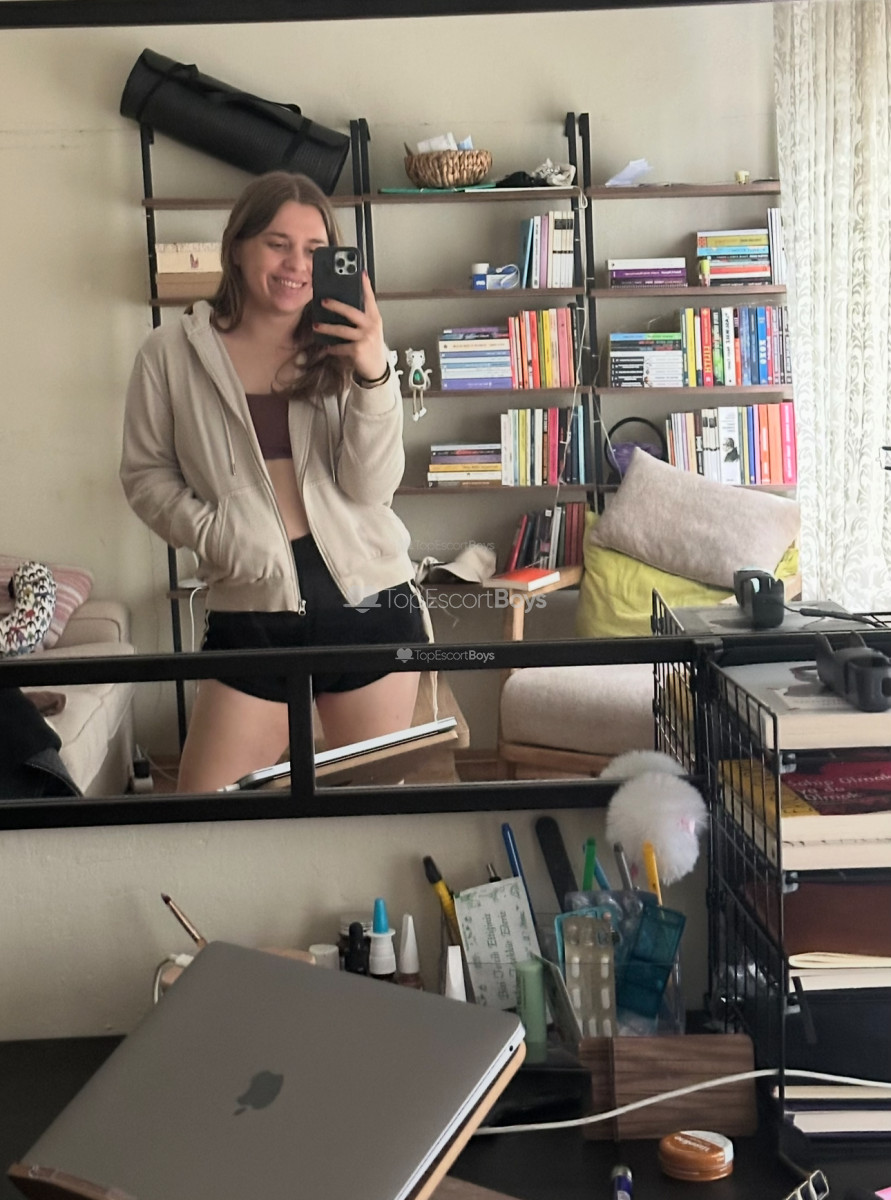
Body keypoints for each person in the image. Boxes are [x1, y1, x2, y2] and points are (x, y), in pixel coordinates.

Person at [120, 171, 426, 793]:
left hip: (371, 604)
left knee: (370, 817)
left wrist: (373, 371)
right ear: (238, 246)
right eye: (277, 244)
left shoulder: (349, 346)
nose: (297, 265)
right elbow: (146, 475)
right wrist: (217, 535)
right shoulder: (170, 353)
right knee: (207, 814)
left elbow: (372, 488)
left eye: (315, 250)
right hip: (251, 606)